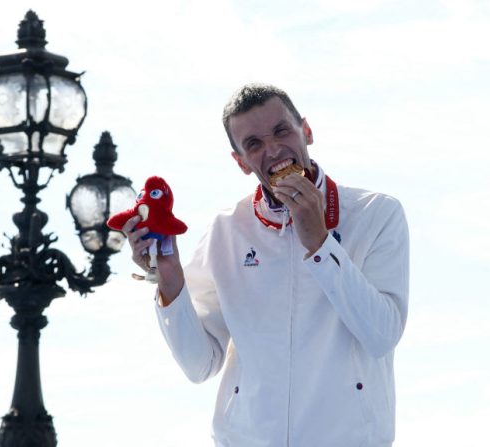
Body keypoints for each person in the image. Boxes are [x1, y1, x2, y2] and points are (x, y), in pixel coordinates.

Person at [122, 83, 409, 446]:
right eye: (254, 144)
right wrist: (170, 282)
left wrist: (319, 243)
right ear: (241, 161)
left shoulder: (377, 214)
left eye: (282, 131)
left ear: (306, 130)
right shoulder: (226, 230)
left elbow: (382, 334)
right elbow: (200, 365)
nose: (273, 149)